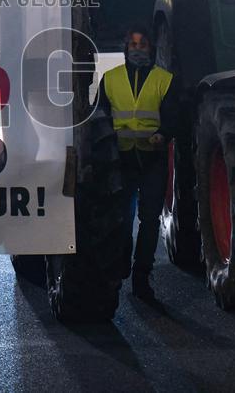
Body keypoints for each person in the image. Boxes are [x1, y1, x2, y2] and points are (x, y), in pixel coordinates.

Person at [95, 26, 177, 302]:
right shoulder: (110, 79)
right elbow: (101, 117)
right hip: (122, 160)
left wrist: (163, 134)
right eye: (133, 44)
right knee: (122, 219)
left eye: (142, 45)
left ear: (151, 49)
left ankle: (142, 276)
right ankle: (120, 268)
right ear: (126, 48)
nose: (137, 49)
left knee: (150, 220)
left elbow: (174, 117)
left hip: (152, 159)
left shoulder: (164, 80)